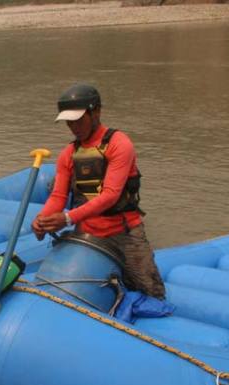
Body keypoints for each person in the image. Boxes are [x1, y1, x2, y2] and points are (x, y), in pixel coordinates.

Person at [32, 83, 166, 300]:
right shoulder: (69, 153)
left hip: (123, 232)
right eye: (69, 121)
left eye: (78, 120)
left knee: (152, 292)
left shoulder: (119, 144)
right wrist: (41, 220)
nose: (73, 127)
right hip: (86, 232)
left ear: (96, 112)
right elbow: (58, 196)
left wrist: (66, 218)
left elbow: (111, 195)